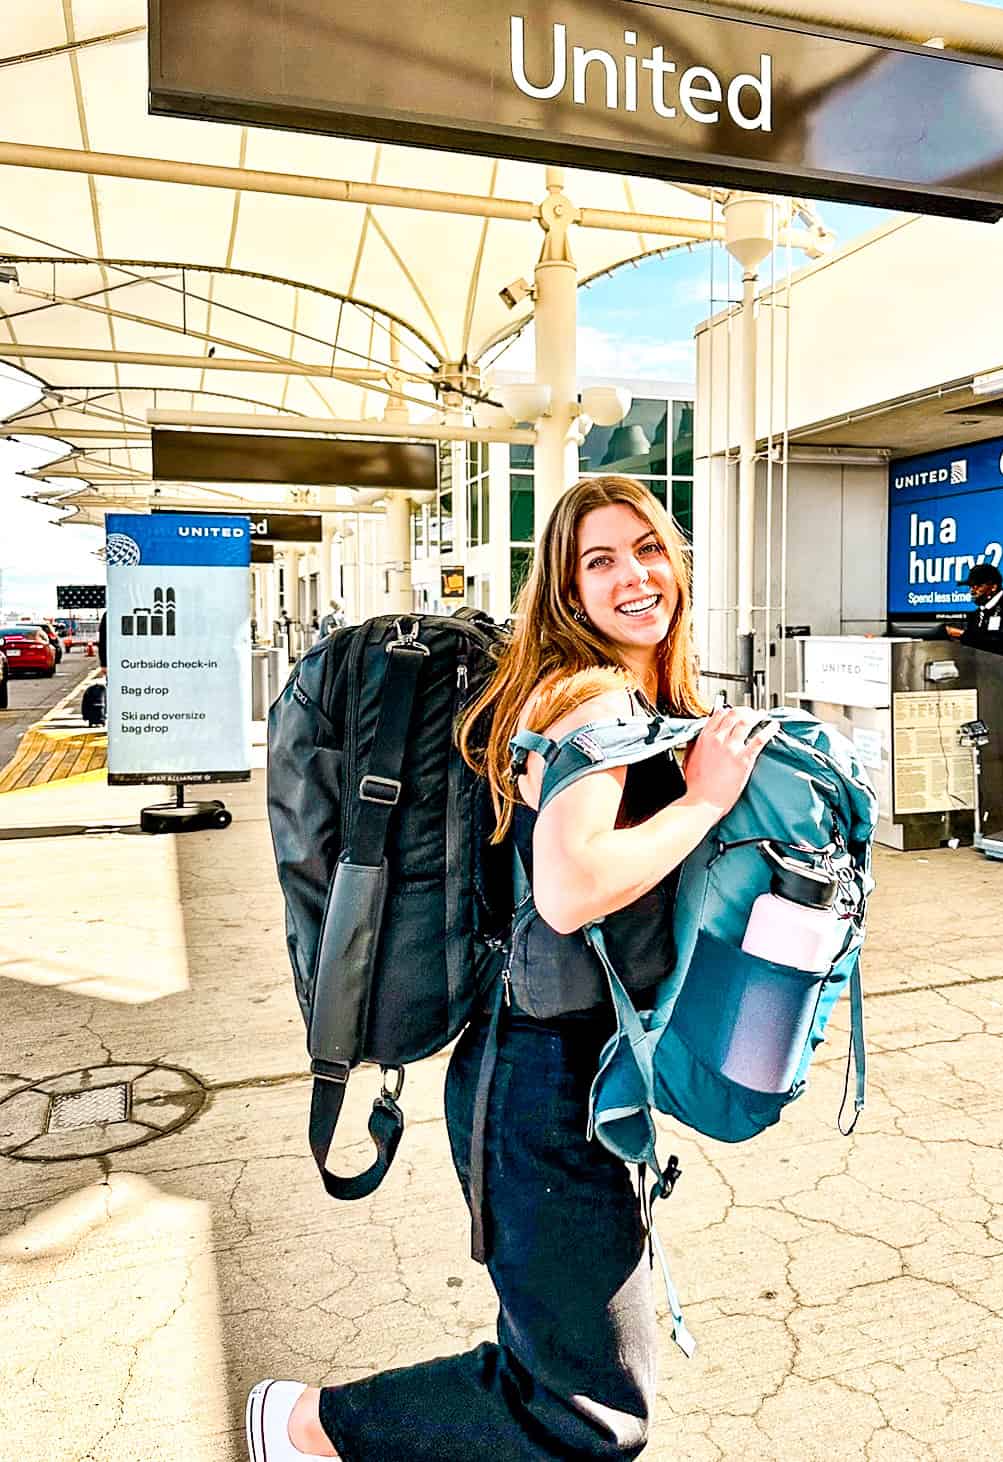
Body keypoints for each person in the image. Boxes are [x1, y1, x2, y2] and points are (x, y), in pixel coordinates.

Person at [246, 476, 773, 1461]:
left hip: (557, 1071)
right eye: (600, 560)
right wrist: (703, 801)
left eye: (648, 547)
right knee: (587, 1415)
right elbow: (573, 888)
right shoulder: (591, 699)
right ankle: (309, 1427)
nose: (635, 575)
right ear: (566, 590)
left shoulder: (627, 694)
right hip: (539, 1085)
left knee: (568, 1371)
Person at [944, 563, 1003, 659]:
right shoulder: (976, 614)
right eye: (970, 586)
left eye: (977, 586)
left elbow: (1002, 645)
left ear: (993, 587)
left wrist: (960, 634)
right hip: (978, 670)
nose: (972, 591)